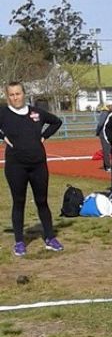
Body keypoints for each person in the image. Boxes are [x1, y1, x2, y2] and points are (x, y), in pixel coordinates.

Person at [0, 81, 64, 256]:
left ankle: (50, 238)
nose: (15, 97)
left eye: (18, 93)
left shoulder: (36, 112)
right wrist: (2, 136)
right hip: (16, 166)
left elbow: (56, 122)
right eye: (12, 95)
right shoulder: (3, 113)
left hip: (38, 165)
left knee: (42, 201)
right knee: (18, 202)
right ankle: (20, 241)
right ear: (8, 97)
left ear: (24, 93)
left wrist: (44, 136)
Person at [95, 104, 112, 172]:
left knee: (107, 150)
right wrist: (97, 131)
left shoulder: (107, 113)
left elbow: (101, 123)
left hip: (107, 133)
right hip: (104, 133)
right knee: (106, 150)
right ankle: (107, 166)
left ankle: (106, 165)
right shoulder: (105, 113)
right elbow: (101, 124)